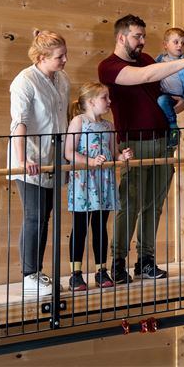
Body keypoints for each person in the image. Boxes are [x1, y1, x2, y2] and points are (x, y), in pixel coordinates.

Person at [98, 14, 184, 283]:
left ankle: (146, 260)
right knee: (129, 203)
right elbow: (145, 76)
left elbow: (160, 92)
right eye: (137, 36)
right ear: (121, 37)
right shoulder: (109, 66)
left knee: (155, 204)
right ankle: (118, 262)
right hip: (134, 144)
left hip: (163, 141)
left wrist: (179, 105)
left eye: (143, 36)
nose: (142, 41)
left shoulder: (147, 58)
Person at [8, 30, 70, 297]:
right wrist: (22, 159)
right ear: (42, 57)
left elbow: (62, 115)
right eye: (60, 56)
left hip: (54, 158)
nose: (65, 59)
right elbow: (19, 122)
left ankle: (37, 273)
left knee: (45, 217)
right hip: (30, 157)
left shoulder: (62, 78)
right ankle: (28, 275)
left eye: (65, 54)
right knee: (34, 217)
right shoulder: (24, 81)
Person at [63, 82, 133, 291]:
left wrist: (123, 156)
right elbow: (69, 152)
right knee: (81, 227)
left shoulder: (108, 126)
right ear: (92, 101)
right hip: (84, 181)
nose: (109, 102)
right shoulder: (79, 122)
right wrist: (90, 161)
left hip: (103, 182)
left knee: (100, 227)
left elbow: (113, 153)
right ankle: (75, 274)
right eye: (105, 98)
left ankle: (101, 271)